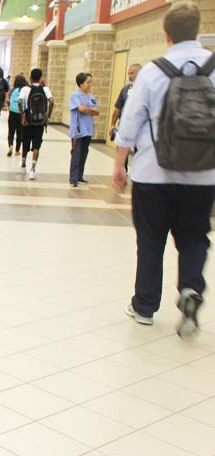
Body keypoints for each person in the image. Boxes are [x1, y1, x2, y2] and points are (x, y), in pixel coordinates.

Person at [113, 1, 215, 337]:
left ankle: (144, 306)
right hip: (202, 175)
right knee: (194, 236)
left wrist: (119, 164)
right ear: (197, 30)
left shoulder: (153, 71)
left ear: (166, 34)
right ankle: (189, 289)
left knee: (151, 240)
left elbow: (130, 121)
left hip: (152, 173)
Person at [19, 67, 54, 180]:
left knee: (25, 143)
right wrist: (47, 116)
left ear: (30, 77)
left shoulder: (25, 89)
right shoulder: (45, 89)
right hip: (40, 122)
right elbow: (52, 101)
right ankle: (33, 170)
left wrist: (22, 115)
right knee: (36, 145)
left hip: (28, 121)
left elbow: (19, 101)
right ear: (40, 78)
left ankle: (23, 165)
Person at [68, 72, 99, 187]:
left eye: (91, 82)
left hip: (88, 130)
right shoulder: (75, 96)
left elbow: (96, 111)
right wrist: (89, 110)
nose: (90, 84)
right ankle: (73, 179)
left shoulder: (92, 97)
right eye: (88, 82)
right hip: (78, 131)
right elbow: (81, 109)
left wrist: (88, 110)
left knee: (84, 154)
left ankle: (80, 176)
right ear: (81, 84)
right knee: (76, 154)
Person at [110, 62, 142, 171]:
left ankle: (137, 174)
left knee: (140, 153)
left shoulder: (145, 89)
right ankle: (123, 171)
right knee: (123, 152)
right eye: (128, 73)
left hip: (141, 130)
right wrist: (112, 125)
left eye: (132, 73)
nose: (129, 76)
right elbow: (117, 108)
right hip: (125, 128)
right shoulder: (125, 89)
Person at [6, 73, 27, 157]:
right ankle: (17, 150)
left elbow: (8, 99)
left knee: (11, 131)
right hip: (22, 113)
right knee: (20, 132)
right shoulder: (25, 90)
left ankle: (10, 145)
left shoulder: (12, 89)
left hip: (12, 113)